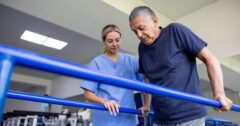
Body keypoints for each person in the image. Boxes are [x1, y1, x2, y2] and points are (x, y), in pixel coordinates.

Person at [129, 6, 233, 126]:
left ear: (155, 21)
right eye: (135, 31)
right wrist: (147, 105)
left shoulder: (175, 31)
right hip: (161, 118)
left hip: (189, 116)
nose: (139, 35)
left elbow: (210, 59)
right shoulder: (142, 48)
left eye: (142, 28)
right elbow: (148, 77)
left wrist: (219, 93)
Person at [80, 24, 143, 126]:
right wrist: (104, 101)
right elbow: (87, 94)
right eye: (110, 41)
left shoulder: (130, 60)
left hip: (128, 118)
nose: (114, 44)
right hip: (105, 119)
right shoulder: (97, 62)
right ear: (104, 42)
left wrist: (146, 105)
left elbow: (146, 80)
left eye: (117, 40)